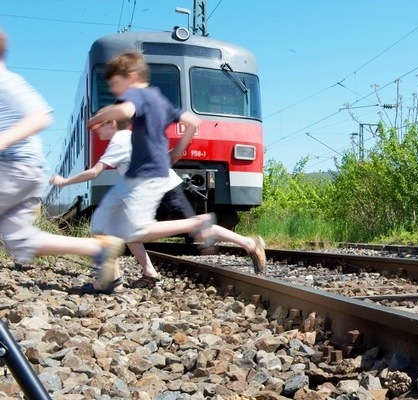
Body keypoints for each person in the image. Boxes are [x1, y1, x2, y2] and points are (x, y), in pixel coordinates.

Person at [49, 118, 267, 284]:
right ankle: (150, 272)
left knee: (199, 228)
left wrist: (64, 181)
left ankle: (249, 243)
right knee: (127, 230)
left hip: (161, 190)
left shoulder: (118, 141)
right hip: (157, 189)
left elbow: (94, 172)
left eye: (99, 126)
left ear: (112, 123)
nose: (96, 131)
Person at [83, 50, 219, 294]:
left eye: (115, 84)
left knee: (134, 230)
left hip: (146, 173)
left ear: (131, 77)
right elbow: (192, 122)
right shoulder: (159, 97)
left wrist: (100, 115)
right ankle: (111, 280)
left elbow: (124, 112)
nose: (114, 90)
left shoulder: (137, 94)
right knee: (103, 221)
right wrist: (178, 150)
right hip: (144, 171)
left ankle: (198, 222)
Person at [0, 28, 125, 292]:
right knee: (18, 239)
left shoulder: (4, 81)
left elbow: (41, 116)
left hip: (13, 166)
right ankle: (98, 248)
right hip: (22, 168)